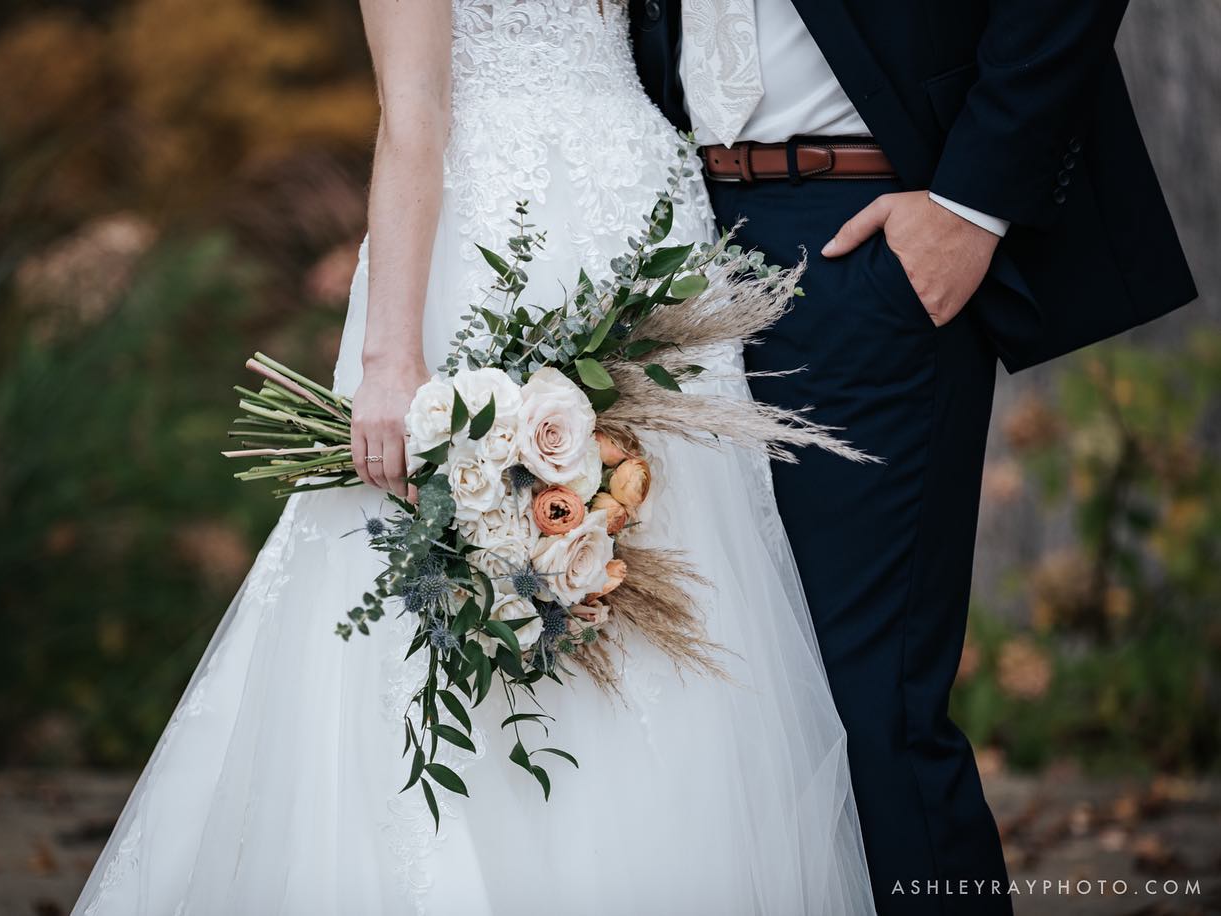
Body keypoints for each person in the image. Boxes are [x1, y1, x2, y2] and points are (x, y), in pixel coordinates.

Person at [73, 2, 878, 914]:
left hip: (635, 229)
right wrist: (391, 362)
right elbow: (414, 114)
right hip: (500, 233)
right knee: (469, 559)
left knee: (653, 550)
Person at [630, 1, 1197, 913]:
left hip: (863, 233)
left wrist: (971, 206)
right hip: (670, 251)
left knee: (871, 714)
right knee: (725, 705)